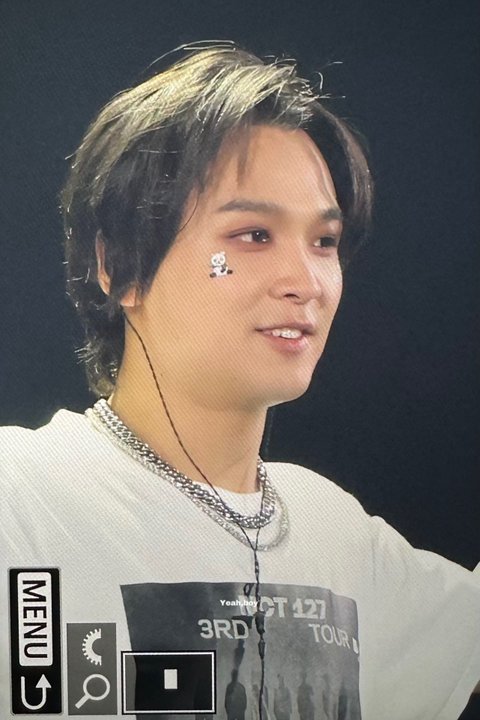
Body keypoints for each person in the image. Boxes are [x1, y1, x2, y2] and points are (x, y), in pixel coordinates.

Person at [1, 41, 479, 720]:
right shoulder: (22, 497)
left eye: (324, 242)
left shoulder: (335, 533)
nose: (306, 281)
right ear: (119, 265)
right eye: (253, 235)